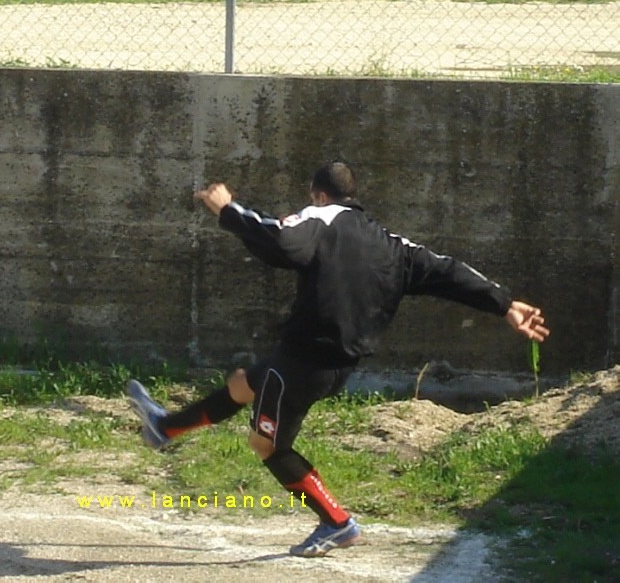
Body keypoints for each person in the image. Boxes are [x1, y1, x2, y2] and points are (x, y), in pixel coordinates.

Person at [128, 161, 550, 558]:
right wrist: (505, 304)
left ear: (319, 194)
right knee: (245, 383)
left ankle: (336, 521)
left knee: (266, 445)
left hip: (302, 362)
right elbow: (450, 272)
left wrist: (228, 211)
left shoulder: (320, 219)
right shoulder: (392, 245)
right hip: (337, 366)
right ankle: (165, 428)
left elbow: (279, 240)